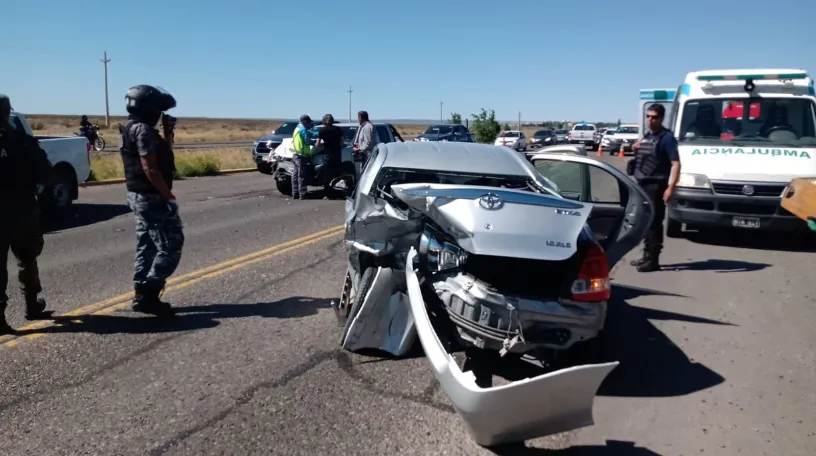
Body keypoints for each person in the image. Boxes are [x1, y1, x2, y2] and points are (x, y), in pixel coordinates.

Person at [120, 85, 183, 316]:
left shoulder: (131, 128)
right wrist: (168, 196)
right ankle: (149, 292)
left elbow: (160, 155)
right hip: (151, 197)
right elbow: (150, 167)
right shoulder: (143, 131)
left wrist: (167, 134)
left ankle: (140, 293)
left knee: (146, 246)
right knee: (170, 246)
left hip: (139, 196)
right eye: (158, 109)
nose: (160, 114)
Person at [0, 94, 54, 333]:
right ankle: (31, 305)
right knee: (27, 258)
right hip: (21, 209)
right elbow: (45, 173)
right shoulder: (23, 141)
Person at [629, 103, 681, 273]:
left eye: (654, 117)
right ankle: (646, 255)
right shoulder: (648, 136)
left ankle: (653, 260)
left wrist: (670, 187)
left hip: (656, 185)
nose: (650, 120)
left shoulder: (667, 138)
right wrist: (636, 147)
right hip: (643, 183)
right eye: (648, 116)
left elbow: (675, 164)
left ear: (661, 118)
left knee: (654, 222)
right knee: (645, 222)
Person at [290, 114, 319, 200]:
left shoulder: (297, 128)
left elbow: (309, 133)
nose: (310, 124)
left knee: (295, 175)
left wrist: (316, 133)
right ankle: (303, 193)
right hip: (301, 155)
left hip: (295, 154)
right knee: (301, 175)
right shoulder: (303, 129)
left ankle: (295, 193)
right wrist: (315, 143)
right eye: (309, 122)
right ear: (305, 121)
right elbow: (307, 140)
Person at [317, 113, 344, 193]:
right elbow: (342, 142)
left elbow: (318, 144)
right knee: (336, 174)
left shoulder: (322, 130)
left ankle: (328, 193)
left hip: (327, 154)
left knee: (327, 175)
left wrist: (323, 144)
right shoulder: (338, 129)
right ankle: (336, 192)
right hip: (337, 155)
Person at [351, 110, 379, 175]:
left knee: (366, 172)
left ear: (361, 117)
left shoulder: (367, 127)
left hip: (367, 155)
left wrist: (359, 149)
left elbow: (368, 143)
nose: (358, 119)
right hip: (364, 155)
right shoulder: (363, 126)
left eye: (358, 118)